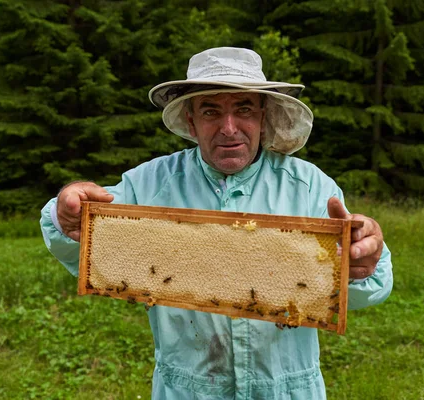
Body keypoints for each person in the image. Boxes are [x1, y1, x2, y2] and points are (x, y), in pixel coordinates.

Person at [40, 47, 393, 399]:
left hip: (286, 390)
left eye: (243, 109)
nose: (229, 128)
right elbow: (79, 237)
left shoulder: (311, 187)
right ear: (191, 121)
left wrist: (360, 260)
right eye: (211, 111)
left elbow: (372, 281)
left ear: (262, 116)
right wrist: (67, 209)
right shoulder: (148, 185)